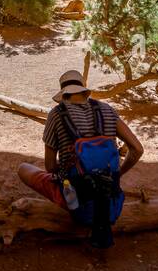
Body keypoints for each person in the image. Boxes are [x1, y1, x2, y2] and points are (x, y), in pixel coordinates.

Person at [17, 69, 143, 210]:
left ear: (64, 93)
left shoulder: (56, 114)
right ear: (84, 90)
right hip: (110, 200)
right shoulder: (108, 110)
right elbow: (137, 149)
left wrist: (72, 164)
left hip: (75, 201)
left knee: (23, 168)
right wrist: (117, 175)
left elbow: (50, 167)